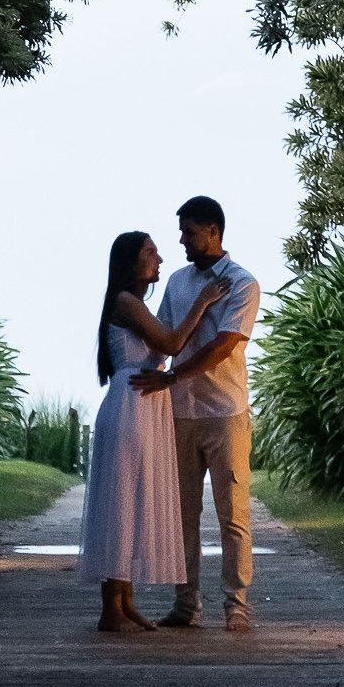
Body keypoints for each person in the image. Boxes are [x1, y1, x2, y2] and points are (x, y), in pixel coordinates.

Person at [77, 229, 227, 633]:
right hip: (130, 406)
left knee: (135, 500)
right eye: (151, 252)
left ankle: (126, 602)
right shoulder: (126, 302)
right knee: (122, 500)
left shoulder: (138, 304)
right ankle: (111, 607)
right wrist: (205, 299)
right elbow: (173, 343)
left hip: (145, 407)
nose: (160, 259)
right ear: (131, 263)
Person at [131, 194, 261, 633]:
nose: (182, 241)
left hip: (225, 412)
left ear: (213, 232)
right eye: (181, 232)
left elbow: (224, 344)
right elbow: (166, 340)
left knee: (232, 512)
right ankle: (186, 604)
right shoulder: (180, 283)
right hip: (180, 413)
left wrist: (170, 377)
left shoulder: (242, 283)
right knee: (181, 513)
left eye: (188, 232)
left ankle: (237, 604)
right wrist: (140, 385)